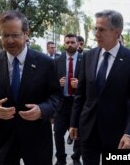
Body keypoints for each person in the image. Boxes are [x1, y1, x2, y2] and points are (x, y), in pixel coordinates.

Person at [0, 10, 61, 165]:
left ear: (26, 33)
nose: (10, 40)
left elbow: (56, 96)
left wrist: (42, 110)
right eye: (5, 35)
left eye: (15, 35)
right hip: (3, 141)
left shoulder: (46, 63)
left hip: (37, 141)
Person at [69, 10, 130, 165]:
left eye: (101, 29)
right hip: (88, 130)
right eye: (95, 29)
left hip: (118, 133)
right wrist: (74, 123)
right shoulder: (88, 56)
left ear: (117, 32)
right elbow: (81, 94)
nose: (96, 33)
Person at [53, 34, 82, 165]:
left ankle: (76, 158)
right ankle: (61, 159)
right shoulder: (57, 60)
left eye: (72, 42)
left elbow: (90, 81)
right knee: (58, 133)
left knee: (78, 134)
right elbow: (50, 82)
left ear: (77, 44)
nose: (70, 44)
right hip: (62, 103)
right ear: (64, 44)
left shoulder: (84, 59)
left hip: (78, 103)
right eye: (67, 42)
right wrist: (57, 83)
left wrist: (79, 84)